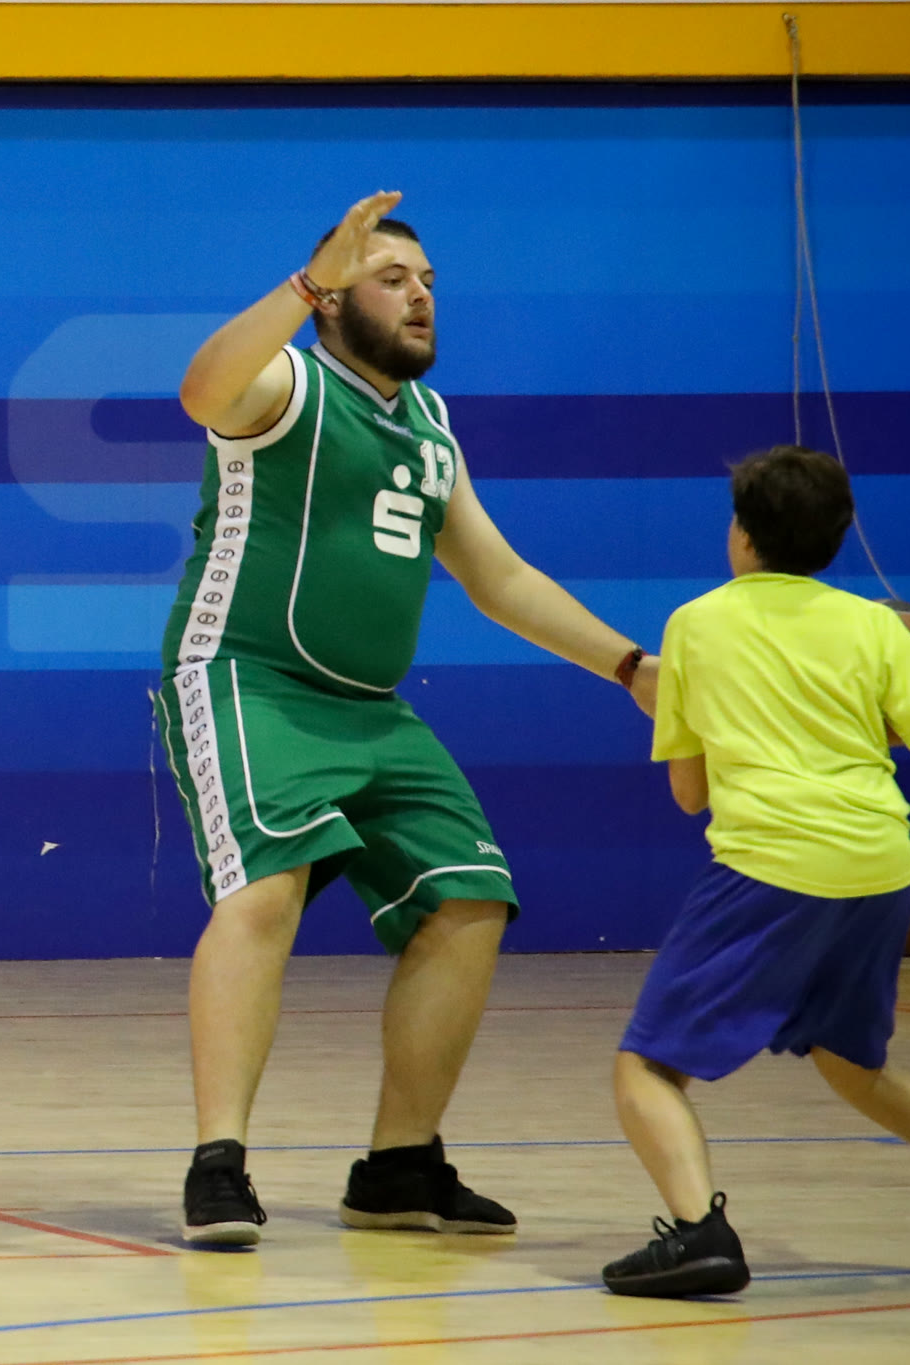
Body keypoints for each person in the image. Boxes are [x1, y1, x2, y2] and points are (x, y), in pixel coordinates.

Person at [160, 191, 657, 1246]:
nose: (420, 296)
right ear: (333, 299)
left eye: (428, 282)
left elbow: (499, 577)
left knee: (470, 897)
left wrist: (627, 666)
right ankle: (218, 1161)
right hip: (249, 679)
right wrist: (306, 281)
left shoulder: (428, 424)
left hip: (371, 712)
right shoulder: (287, 383)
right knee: (265, 890)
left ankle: (397, 1166)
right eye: (391, 279)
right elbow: (202, 389)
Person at [602, 444, 910, 1296]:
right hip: (881, 869)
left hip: (771, 865)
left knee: (646, 1065)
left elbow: (690, 794)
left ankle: (697, 1235)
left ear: (742, 534)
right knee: (856, 1068)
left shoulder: (693, 624)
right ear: (837, 538)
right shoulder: (879, 627)